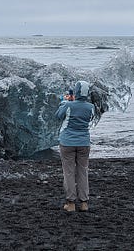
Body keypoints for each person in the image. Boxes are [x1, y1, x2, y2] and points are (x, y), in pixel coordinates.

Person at [55, 81, 95, 212]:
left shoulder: (68, 105)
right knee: (83, 171)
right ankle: (84, 203)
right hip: (84, 142)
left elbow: (58, 116)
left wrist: (64, 102)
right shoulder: (91, 107)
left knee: (69, 172)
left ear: (76, 92)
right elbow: (91, 119)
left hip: (67, 143)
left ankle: (70, 203)